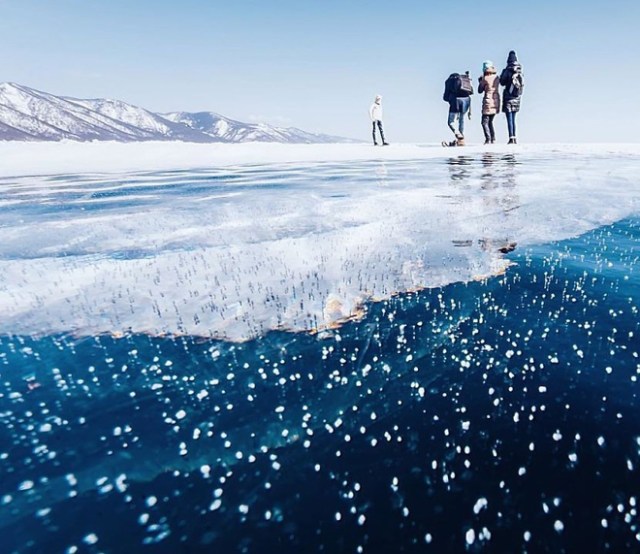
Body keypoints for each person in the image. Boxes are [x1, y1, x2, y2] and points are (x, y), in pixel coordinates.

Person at [499, 50, 524, 144]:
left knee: (509, 117)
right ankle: (515, 137)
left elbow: (502, 82)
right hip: (517, 97)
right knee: (514, 118)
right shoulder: (519, 70)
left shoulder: (507, 70)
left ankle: (511, 138)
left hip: (508, 96)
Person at [443, 71, 473, 146]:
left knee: (450, 122)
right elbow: (471, 92)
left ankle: (458, 134)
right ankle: (461, 140)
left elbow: (445, 97)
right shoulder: (465, 79)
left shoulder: (448, 81)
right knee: (461, 120)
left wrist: (450, 98)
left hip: (455, 101)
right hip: (466, 100)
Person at [478, 60, 501, 144]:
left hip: (488, 101)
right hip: (496, 101)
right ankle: (493, 138)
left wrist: (480, 81)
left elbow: (480, 90)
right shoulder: (497, 77)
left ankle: (488, 139)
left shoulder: (485, 78)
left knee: (484, 122)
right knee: (490, 121)